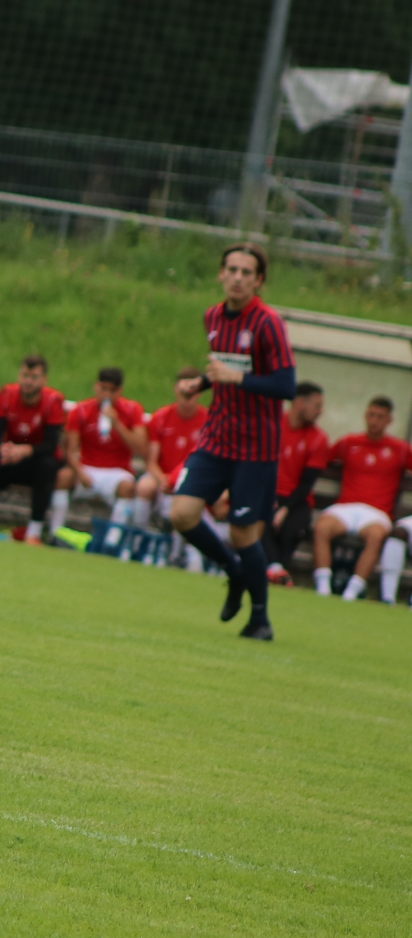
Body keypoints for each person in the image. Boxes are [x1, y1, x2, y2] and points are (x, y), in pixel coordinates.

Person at [166, 243, 296, 640]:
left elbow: (285, 385)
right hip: (217, 438)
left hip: (256, 449)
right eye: (232, 269)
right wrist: (200, 383)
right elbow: (224, 368)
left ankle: (260, 619)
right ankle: (233, 571)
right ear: (221, 274)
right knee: (182, 513)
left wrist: (234, 378)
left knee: (243, 534)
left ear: (259, 281)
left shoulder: (268, 323)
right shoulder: (212, 316)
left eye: (246, 272)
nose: (238, 278)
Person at [310, 397, 409, 599]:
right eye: (371, 415)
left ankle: (352, 592)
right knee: (322, 527)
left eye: (380, 417)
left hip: (377, 512)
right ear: (365, 415)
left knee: (376, 536)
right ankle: (323, 587)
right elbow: (320, 459)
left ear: (389, 420)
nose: (374, 421)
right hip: (345, 508)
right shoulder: (348, 442)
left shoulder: (400, 450)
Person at [0, 354, 64, 542]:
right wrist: (3, 449)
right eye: (25, 376)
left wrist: (26, 450)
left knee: (48, 466)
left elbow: (51, 445)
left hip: (34, 462)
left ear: (44, 380)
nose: (28, 382)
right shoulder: (7, 394)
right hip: (8, 458)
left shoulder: (53, 401)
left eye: (34, 377)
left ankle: (34, 533)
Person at [54, 367, 147, 534]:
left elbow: (141, 448)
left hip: (117, 471)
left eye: (112, 391)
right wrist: (80, 472)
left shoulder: (132, 410)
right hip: (86, 469)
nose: (107, 395)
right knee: (63, 477)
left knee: (127, 487)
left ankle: (114, 539)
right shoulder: (80, 410)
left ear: (120, 391)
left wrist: (117, 424)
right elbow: (70, 450)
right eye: (103, 389)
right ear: (96, 386)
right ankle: (55, 532)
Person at [266, 381, 328, 585]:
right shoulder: (272, 425)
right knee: (259, 519)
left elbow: (307, 483)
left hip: (297, 499)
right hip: (267, 493)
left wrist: (284, 507)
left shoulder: (318, 438)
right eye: (317, 405)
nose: (320, 411)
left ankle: (276, 570)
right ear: (300, 403)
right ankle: (277, 571)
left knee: (292, 529)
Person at [137, 368, 208, 523]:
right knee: (144, 486)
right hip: (162, 476)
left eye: (192, 392)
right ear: (176, 388)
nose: (188, 397)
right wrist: (164, 480)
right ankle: (137, 533)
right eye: (184, 392)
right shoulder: (160, 418)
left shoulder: (208, 422)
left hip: (191, 479)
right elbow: (151, 461)